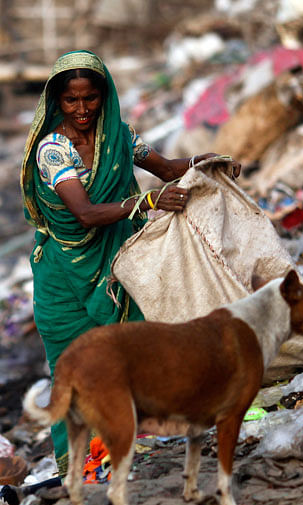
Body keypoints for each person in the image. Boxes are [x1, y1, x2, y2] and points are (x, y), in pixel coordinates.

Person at [20, 49, 240, 480]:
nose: (82, 110)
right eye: (71, 101)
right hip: (65, 279)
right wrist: (147, 202)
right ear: (57, 103)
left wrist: (210, 163)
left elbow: (166, 168)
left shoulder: (118, 136)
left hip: (114, 270)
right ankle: (83, 469)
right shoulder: (53, 150)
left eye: (90, 99)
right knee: (74, 370)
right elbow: (84, 213)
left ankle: (119, 453)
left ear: (105, 97)